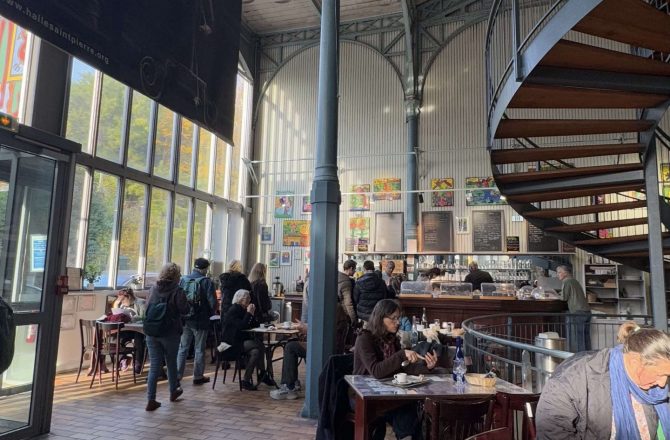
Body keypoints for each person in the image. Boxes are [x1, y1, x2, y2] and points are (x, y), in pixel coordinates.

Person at [536, 321, 670, 439]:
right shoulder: (573, 378)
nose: (663, 384)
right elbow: (552, 431)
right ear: (635, 362)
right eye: (659, 375)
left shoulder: (655, 385)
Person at [354, 299, 438, 440]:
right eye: (394, 318)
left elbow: (403, 367)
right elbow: (377, 371)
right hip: (365, 395)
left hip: (387, 393)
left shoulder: (391, 338)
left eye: (398, 318)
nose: (398, 322)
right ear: (381, 318)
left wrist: (427, 367)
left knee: (410, 406)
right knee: (406, 407)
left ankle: (407, 436)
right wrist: (401, 354)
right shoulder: (364, 338)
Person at [144, 262, 190, 411]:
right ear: (177, 276)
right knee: (171, 362)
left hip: (152, 332)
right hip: (170, 332)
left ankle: (151, 399)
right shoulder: (178, 291)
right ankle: (173, 390)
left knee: (154, 367)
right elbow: (185, 310)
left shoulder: (153, 289)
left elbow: (146, 308)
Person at [221, 289, 275, 390]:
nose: (249, 300)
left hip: (239, 341)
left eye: (250, 298)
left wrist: (252, 314)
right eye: (247, 298)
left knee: (256, 351)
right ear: (240, 299)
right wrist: (249, 313)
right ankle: (262, 374)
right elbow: (242, 326)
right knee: (260, 345)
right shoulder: (234, 310)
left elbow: (253, 324)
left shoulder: (242, 309)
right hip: (230, 344)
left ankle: (246, 380)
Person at [176, 257, 216, 385]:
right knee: (199, 349)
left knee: (183, 348)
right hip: (200, 320)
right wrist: (211, 313)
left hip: (185, 318)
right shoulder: (206, 281)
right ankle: (198, 376)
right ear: (205, 269)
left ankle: (177, 375)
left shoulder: (183, 279)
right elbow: (213, 302)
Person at [557, 265, 591, 352]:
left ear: (565, 273)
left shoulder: (567, 281)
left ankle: (581, 358)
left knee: (580, 338)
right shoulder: (574, 281)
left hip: (578, 312)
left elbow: (564, 297)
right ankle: (589, 356)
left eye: (559, 272)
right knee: (586, 337)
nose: (558, 274)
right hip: (587, 311)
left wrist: (553, 295)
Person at [270, 320, 307, 400]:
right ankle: (292, 383)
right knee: (292, 343)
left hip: (318, 346)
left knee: (290, 346)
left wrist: (305, 328)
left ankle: (289, 387)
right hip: (319, 344)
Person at [112, 288, 146, 374]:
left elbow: (144, 317)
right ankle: (122, 359)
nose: (122, 302)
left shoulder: (140, 303)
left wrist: (132, 319)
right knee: (117, 337)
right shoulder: (122, 304)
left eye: (123, 299)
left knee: (139, 338)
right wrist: (116, 305)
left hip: (139, 330)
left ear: (129, 297)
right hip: (127, 329)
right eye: (121, 300)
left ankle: (137, 363)